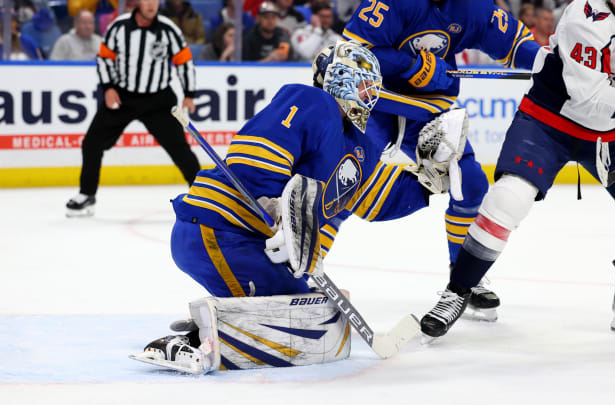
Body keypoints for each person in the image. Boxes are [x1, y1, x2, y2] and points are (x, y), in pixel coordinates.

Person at [130, 41, 449, 373]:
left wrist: (432, 182)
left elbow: (378, 201)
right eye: (362, 82)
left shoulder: (359, 149)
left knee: (316, 313)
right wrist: (277, 209)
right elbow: (259, 152)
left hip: (245, 243)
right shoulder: (312, 101)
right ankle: (191, 345)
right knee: (304, 323)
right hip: (222, 229)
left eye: (373, 85)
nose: (369, 92)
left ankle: (220, 321)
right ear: (338, 79)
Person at [420, 0, 615, 338]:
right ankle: (458, 291)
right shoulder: (584, 17)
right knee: (509, 199)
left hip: (611, 131)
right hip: (550, 121)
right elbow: (587, 96)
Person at [342, 0, 540, 321]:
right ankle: (304, 258)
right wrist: (410, 66)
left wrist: (554, 62)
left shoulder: (473, 7)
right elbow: (354, 52)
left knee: (472, 184)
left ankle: (464, 276)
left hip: (428, 108)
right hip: (376, 103)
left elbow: (516, 45)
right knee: (345, 176)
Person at [65, 0, 200, 217]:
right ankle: (86, 194)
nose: (151, 4)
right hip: (123, 97)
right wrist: (108, 88)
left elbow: (184, 62)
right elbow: (105, 59)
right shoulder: (119, 27)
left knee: (180, 149)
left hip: (158, 99)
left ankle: (203, 196)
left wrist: (189, 94)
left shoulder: (168, 29)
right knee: (92, 143)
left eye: (155, 0)